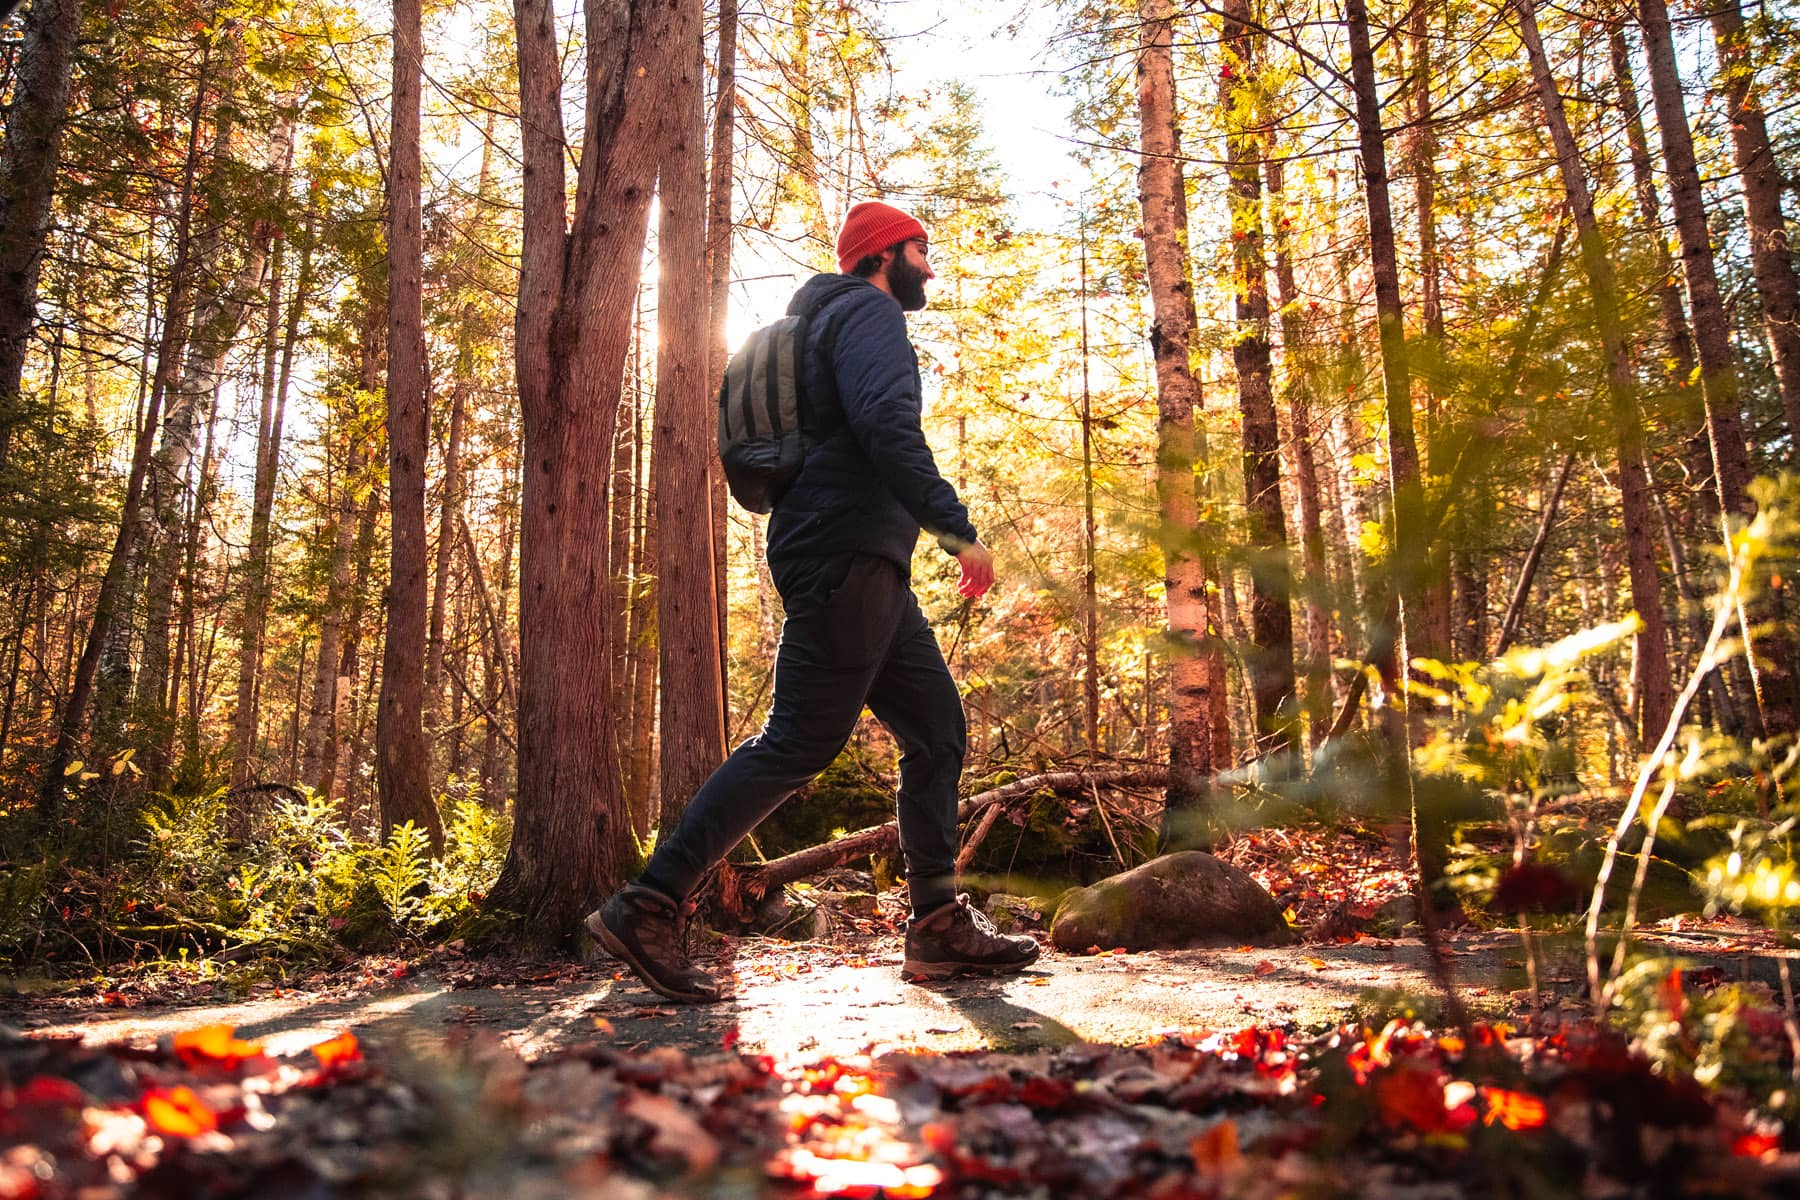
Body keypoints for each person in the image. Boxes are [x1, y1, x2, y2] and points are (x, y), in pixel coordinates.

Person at [587, 200, 1041, 1003]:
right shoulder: (867, 314)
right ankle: (649, 904)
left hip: (859, 558)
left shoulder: (826, 323)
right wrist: (955, 529)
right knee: (798, 741)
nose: (929, 267)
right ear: (880, 255)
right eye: (919, 250)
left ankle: (936, 926)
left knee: (936, 730)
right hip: (844, 555)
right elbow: (885, 424)